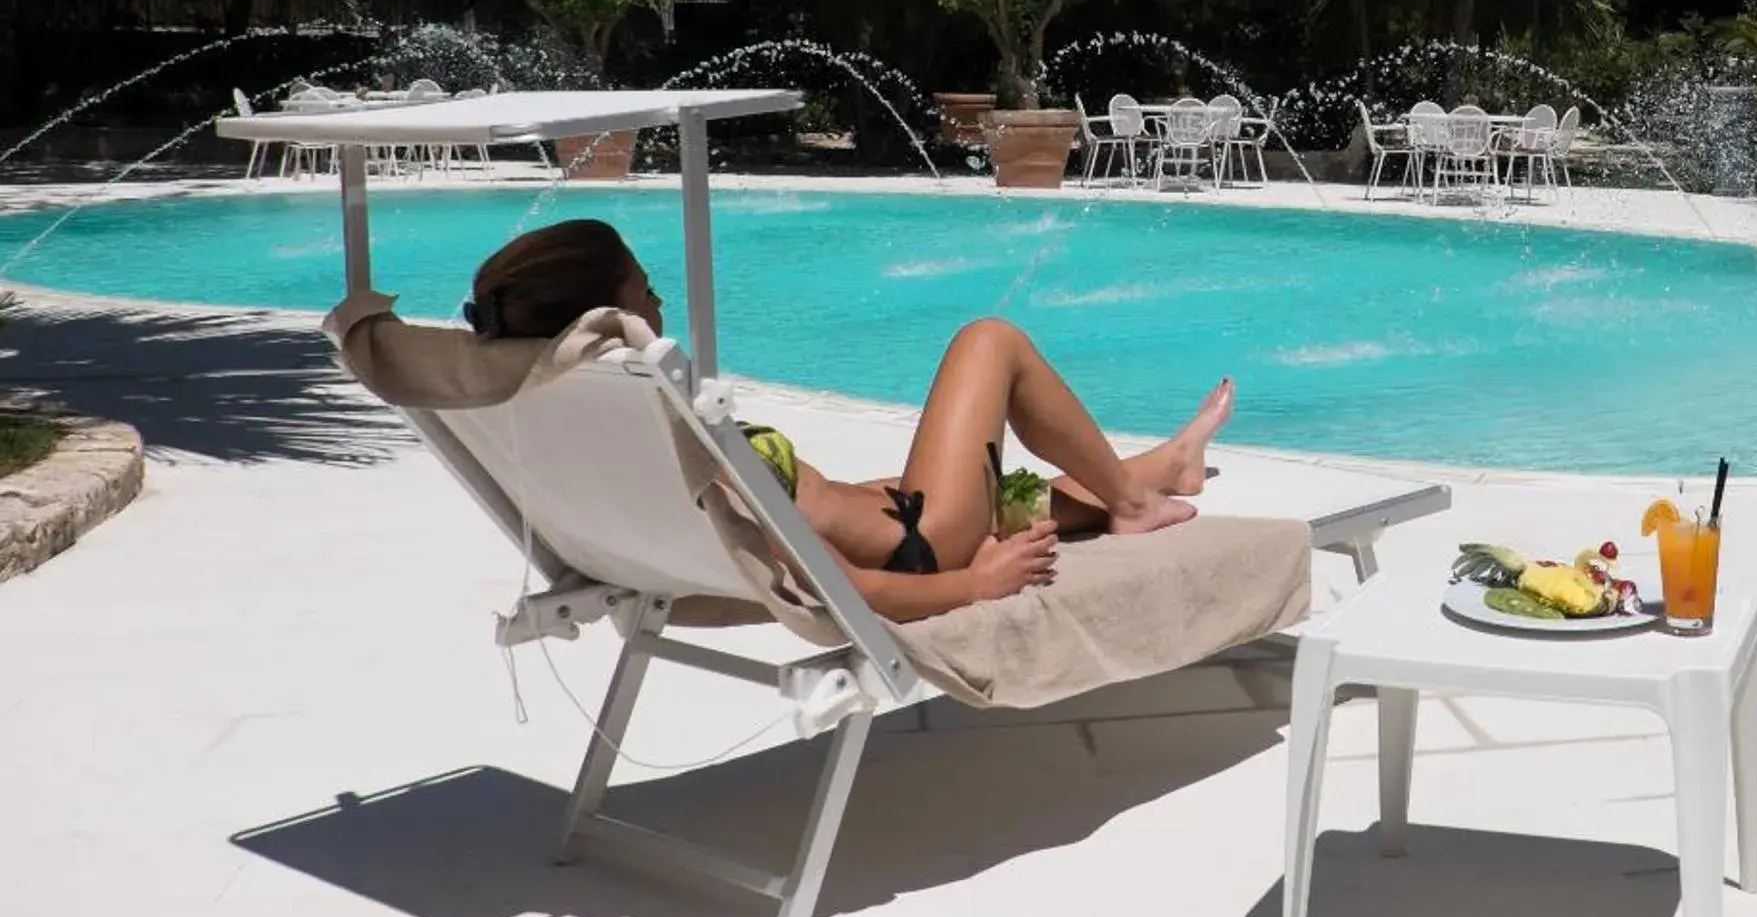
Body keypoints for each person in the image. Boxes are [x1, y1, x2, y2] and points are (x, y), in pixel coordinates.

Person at [463, 220, 1234, 618]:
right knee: (989, 341)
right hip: (919, 549)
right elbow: (845, 591)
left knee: (1007, 481)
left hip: (891, 514)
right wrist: (977, 585)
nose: (659, 303)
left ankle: (1167, 465)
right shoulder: (672, 431)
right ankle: (1134, 503)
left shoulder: (586, 420)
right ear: (613, 314)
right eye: (645, 290)